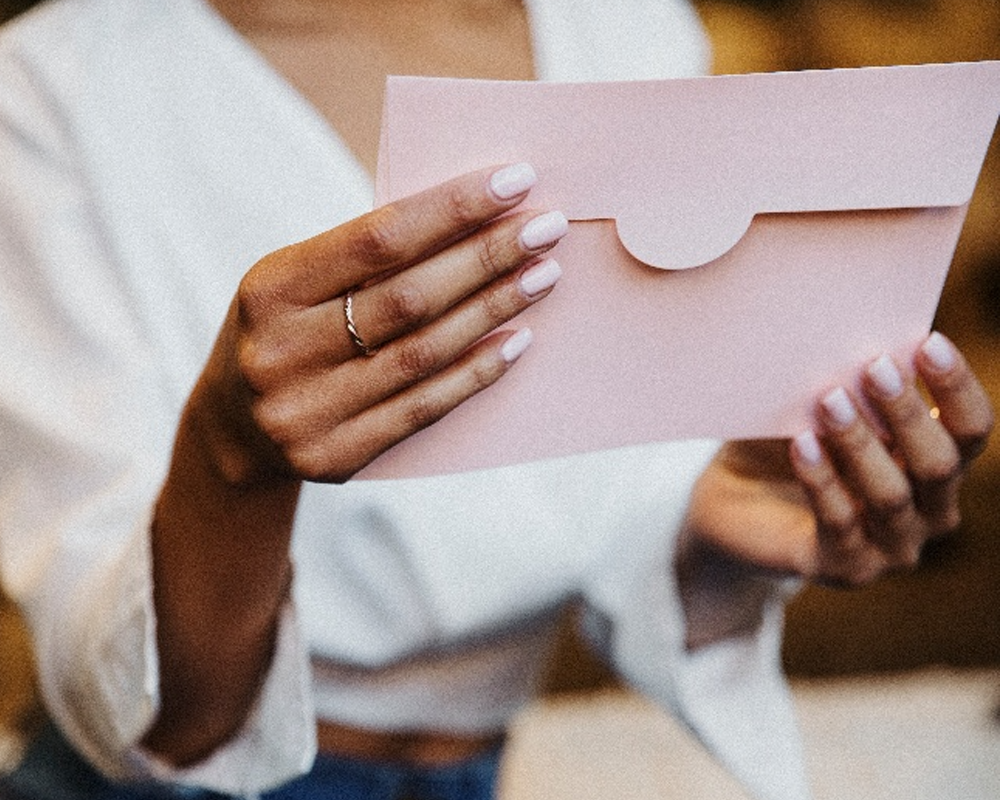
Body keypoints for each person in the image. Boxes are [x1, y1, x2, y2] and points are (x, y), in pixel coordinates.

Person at [0, 1, 992, 799]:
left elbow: (615, 493)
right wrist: (230, 457)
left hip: (484, 766)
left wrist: (718, 518)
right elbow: (148, 716)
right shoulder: (51, 90)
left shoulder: (631, 29)